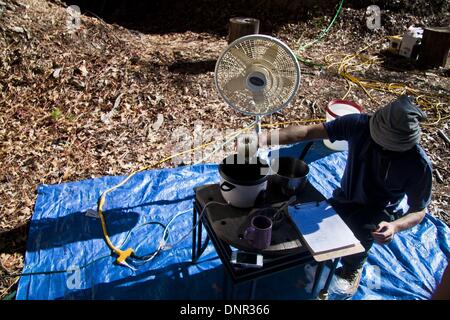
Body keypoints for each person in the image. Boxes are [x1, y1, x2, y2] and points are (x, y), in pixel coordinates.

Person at [260, 95, 432, 296]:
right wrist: (264, 138)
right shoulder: (359, 125)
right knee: (305, 221)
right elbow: (306, 132)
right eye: (381, 143)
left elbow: (419, 210)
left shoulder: (417, 165)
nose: (383, 150)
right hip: (345, 197)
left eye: (392, 149)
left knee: (362, 228)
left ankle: (352, 268)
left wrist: (394, 226)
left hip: (377, 211)